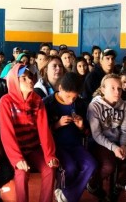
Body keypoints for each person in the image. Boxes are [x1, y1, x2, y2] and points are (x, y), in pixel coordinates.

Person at [0, 64, 59, 202]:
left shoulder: (37, 100)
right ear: (14, 81)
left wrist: (50, 155)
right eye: (23, 78)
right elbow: (7, 134)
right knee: (21, 173)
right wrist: (17, 159)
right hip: (16, 150)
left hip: (33, 148)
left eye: (30, 77)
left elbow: (44, 130)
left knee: (50, 169)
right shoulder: (6, 102)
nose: (30, 81)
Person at [87, 74, 126, 201]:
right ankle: (92, 184)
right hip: (100, 143)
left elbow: (125, 130)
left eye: (119, 88)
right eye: (112, 88)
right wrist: (114, 148)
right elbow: (96, 134)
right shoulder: (94, 106)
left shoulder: (123, 106)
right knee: (108, 166)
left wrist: (124, 145)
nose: (117, 91)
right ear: (103, 90)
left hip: (119, 142)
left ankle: (118, 186)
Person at [43, 72, 96, 202]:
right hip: (57, 146)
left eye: (74, 97)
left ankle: (66, 195)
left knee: (91, 165)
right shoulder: (47, 103)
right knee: (70, 168)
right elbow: (42, 132)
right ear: (60, 88)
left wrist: (81, 126)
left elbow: (88, 132)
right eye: (68, 96)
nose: (70, 100)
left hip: (75, 145)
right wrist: (56, 125)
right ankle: (67, 194)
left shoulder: (80, 104)